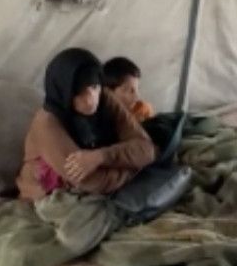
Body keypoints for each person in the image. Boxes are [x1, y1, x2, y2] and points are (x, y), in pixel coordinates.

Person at [16, 48, 155, 201]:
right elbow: (94, 182)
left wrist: (100, 156)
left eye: (94, 87)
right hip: (48, 197)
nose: (90, 100)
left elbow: (147, 150)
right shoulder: (47, 123)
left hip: (101, 187)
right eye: (80, 92)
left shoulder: (104, 98)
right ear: (64, 91)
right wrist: (136, 167)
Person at [102, 56, 155, 121]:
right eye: (129, 90)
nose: (137, 96)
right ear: (109, 92)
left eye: (137, 89)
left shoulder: (142, 110)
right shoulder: (101, 116)